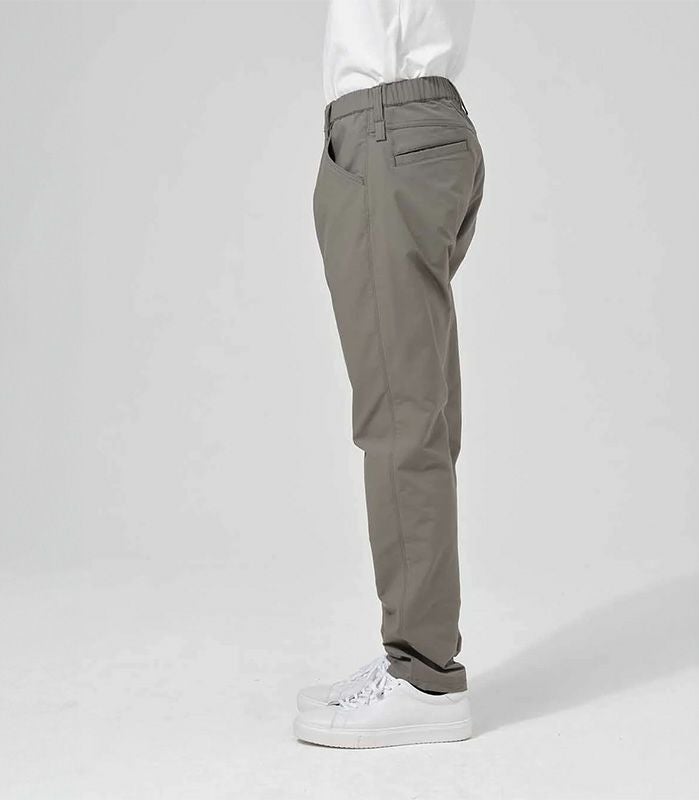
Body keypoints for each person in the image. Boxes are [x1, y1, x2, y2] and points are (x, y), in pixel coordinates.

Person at [294, 0, 484, 749]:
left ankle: (423, 677)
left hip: (388, 124)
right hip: (415, 125)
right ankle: (416, 655)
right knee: (418, 408)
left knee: (402, 415)